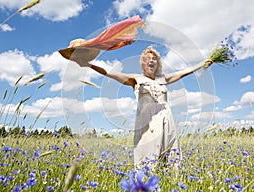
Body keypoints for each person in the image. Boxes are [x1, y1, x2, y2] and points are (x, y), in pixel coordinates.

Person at [73, 46, 213, 165]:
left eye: (154, 59)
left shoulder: (163, 79)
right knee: (148, 154)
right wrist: (89, 65)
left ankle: (169, 181)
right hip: (147, 121)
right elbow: (109, 73)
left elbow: (184, 73)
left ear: (157, 64)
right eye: (148, 59)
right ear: (143, 63)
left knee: (169, 152)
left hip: (166, 118)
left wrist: (202, 64)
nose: (151, 61)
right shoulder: (135, 79)